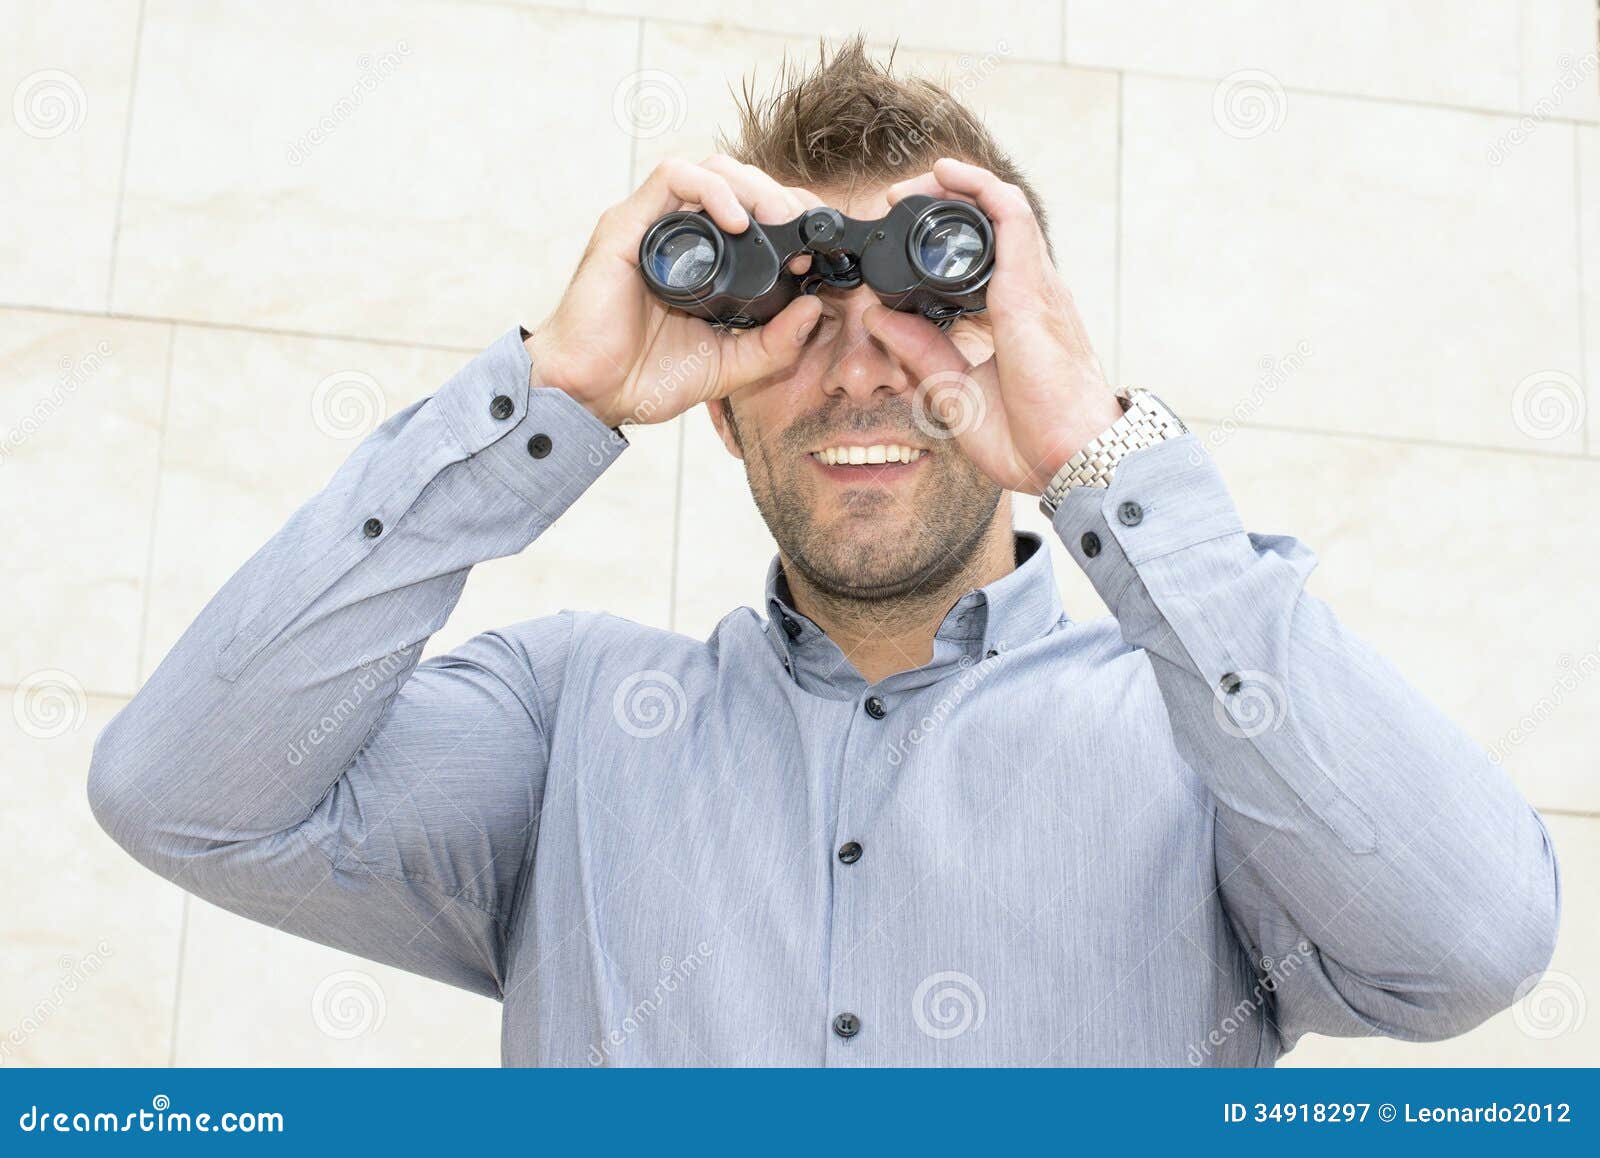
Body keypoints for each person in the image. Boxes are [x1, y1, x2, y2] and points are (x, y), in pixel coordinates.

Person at [87, 38, 1559, 1066]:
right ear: (723, 415)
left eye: (923, 310)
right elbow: (179, 793)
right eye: (789, 319)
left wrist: (1095, 451)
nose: (860, 376)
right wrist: (556, 394)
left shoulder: (1205, 734)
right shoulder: (566, 731)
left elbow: (1472, 944)